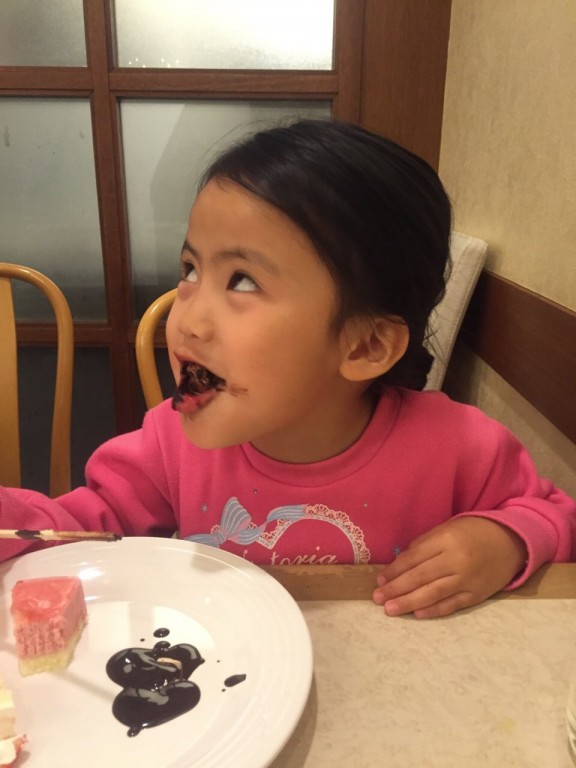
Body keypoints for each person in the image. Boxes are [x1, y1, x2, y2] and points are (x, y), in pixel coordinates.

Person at [1, 119, 574, 619]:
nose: (187, 319)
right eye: (191, 269)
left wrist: (505, 541)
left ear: (366, 345)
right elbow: (69, 532)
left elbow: (556, 517)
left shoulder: (457, 447)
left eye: (242, 281)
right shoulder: (166, 446)